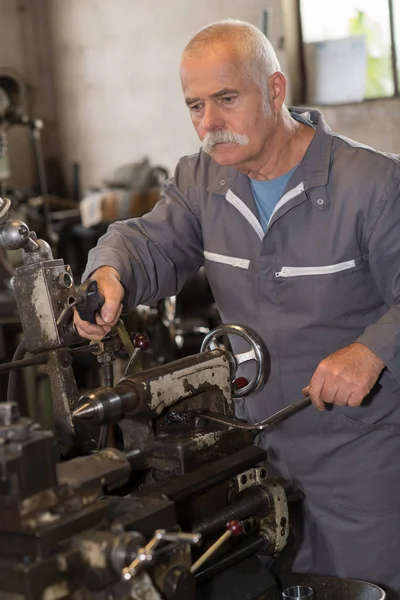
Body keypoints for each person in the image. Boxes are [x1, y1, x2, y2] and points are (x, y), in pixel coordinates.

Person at [74, 19, 400, 598]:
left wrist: (372, 350)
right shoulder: (202, 180)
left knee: (365, 588)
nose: (209, 124)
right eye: (195, 105)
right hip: (254, 448)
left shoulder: (371, 185)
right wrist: (110, 270)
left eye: (226, 99)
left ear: (275, 90)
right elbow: (148, 242)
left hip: (361, 456)